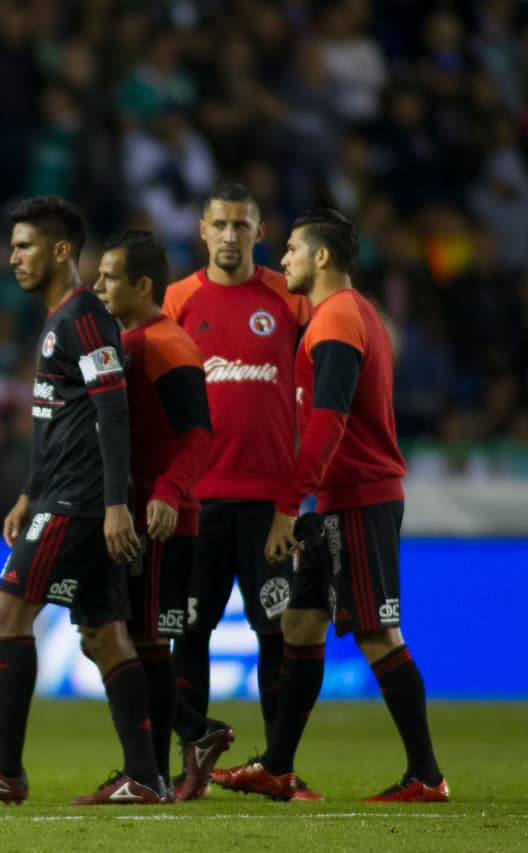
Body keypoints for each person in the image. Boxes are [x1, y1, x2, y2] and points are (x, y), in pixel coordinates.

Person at [214, 209, 448, 803]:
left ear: (322, 257)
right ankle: (278, 766)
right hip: (338, 501)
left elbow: (328, 424)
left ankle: (426, 776)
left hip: (357, 499)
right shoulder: (350, 314)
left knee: (377, 634)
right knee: (301, 623)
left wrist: (289, 505)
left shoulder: (339, 318)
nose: (283, 257)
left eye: (292, 248)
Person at [0, 196, 169, 807]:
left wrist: (115, 505)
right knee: (106, 635)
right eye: (12, 247)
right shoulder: (63, 317)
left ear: (62, 250)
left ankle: (5, 770)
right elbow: (59, 419)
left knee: (7, 615)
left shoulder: (85, 317)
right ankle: (145, 777)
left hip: (81, 502)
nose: (14, 258)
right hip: (60, 495)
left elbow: (114, 410)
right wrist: (28, 492)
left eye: (25, 246)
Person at [161, 183, 311, 792]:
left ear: (259, 231)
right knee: (189, 633)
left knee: (275, 632)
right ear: (201, 229)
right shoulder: (176, 301)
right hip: (197, 502)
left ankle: (279, 767)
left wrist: (298, 498)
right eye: (219, 224)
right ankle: (194, 757)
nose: (229, 235)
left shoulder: (290, 297)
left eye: (241, 226)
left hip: (270, 502)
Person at [94, 230, 216, 800]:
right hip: (137, 514)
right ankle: (174, 753)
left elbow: (198, 437)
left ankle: (158, 773)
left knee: (148, 643)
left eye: (110, 276)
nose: (98, 285)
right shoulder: (132, 342)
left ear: (143, 286)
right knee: (136, 640)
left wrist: (168, 492)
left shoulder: (168, 345)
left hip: (163, 520)